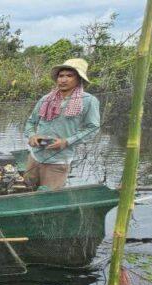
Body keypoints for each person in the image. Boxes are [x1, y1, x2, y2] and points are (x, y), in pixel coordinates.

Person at [24, 58, 101, 190]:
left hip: (58, 162)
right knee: (24, 190)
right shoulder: (46, 99)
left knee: (48, 199)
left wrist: (66, 141)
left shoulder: (88, 101)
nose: (63, 80)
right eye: (61, 76)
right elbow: (31, 122)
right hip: (35, 157)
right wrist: (32, 136)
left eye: (69, 76)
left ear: (79, 79)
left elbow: (93, 128)